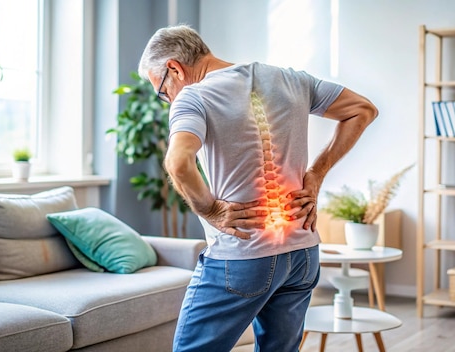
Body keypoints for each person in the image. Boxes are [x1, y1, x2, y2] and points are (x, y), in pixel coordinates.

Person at [138, 24, 377, 352]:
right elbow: (362, 110)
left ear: (174, 68)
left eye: (163, 91)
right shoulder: (291, 78)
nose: (168, 100)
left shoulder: (194, 96)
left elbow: (178, 163)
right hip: (303, 253)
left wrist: (212, 210)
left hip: (242, 256)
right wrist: (316, 174)